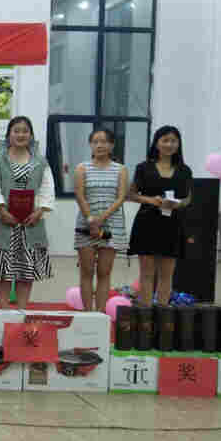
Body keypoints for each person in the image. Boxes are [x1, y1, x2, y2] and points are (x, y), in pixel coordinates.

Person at [0, 116, 55, 310]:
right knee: (2, 271)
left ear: (31, 135)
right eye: (16, 131)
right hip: (3, 222)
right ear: (9, 135)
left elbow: (47, 188)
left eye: (25, 131)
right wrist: (1, 210)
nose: (21, 135)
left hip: (31, 223)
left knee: (26, 271)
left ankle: (22, 310)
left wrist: (40, 210)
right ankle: (4, 310)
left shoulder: (40, 161)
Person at [128, 125, 192, 307]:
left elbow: (188, 198)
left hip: (172, 224)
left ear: (178, 144)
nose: (169, 144)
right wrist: (151, 200)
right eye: (165, 140)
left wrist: (178, 204)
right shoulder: (144, 168)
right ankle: (146, 313)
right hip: (147, 223)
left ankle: (163, 314)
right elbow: (130, 195)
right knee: (147, 273)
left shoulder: (184, 170)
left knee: (166, 274)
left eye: (173, 141)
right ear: (156, 143)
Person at [73, 128, 129, 312]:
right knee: (86, 271)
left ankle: (100, 315)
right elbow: (80, 195)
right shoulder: (82, 168)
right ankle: (88, 314)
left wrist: (101, 219)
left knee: (104, 272)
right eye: (95, 141)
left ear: (112, 145)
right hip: (86, 225)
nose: (99, 145)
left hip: (112, 225)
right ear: (90, 145)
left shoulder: (120, 169)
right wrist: (91, 219)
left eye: (104, 141)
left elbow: (120, 197)